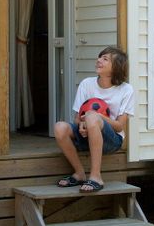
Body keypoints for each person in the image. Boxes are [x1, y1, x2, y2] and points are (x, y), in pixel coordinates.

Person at [54, 46, 134, 193]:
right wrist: (82, 125)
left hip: (111, 140)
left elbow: (119, 126)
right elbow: (77, 119)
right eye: (99, 57)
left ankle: (96, 176)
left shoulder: (126, 90)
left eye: (105, 59)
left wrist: (97, 117)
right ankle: (79, 173)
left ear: (116, 67)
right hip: (86, 135)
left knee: (92, 116)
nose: (99, 60)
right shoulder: (86, 84)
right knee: (60, 127)